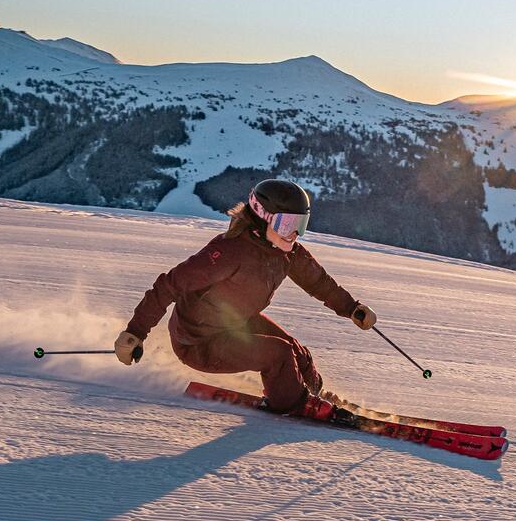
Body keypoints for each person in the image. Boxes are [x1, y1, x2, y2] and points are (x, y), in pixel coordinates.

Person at [114, 178, 377, 416]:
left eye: (300, 225)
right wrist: (135, 332)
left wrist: (351, 308)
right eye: (287, 225)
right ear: (264, 217)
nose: (294, 234)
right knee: (279, 354)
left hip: (234, 323)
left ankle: (315, 395)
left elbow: (318, 282)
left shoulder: (287, 251)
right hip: (198, 342)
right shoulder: (229, 252)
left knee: (297, 352)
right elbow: (170, 285)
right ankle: (294, 404)